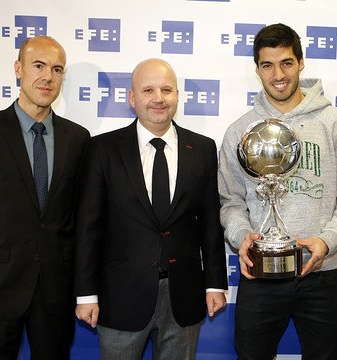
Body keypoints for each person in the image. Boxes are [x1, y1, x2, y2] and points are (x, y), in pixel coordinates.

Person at [218, 23, 337, 359]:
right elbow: (230, 202)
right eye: (267, 65)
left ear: (301, 63)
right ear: (257, 70)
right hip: (260, 272)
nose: (278, 75)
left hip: (321, 274)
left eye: (286, 62)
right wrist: (243, 236)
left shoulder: (334, 123)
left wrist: (327, 242)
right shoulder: (240, 131)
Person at [73, 58, 228, 360]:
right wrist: (86, 294)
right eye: (148, 90)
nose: (158, 98)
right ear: (132, 98)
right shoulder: (102, 149)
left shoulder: (203, 148)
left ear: (177, 96)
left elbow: (210, 222)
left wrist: (214, 284)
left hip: (184, 296)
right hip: (120, 297)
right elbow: (88, 228)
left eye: (167, 89)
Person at [0, 35, 90, 359]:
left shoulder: (78, 139)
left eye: (57, 69)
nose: (47, 77)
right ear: (18, 69)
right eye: (38, 66)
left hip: (55, 289)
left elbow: (81, 216)